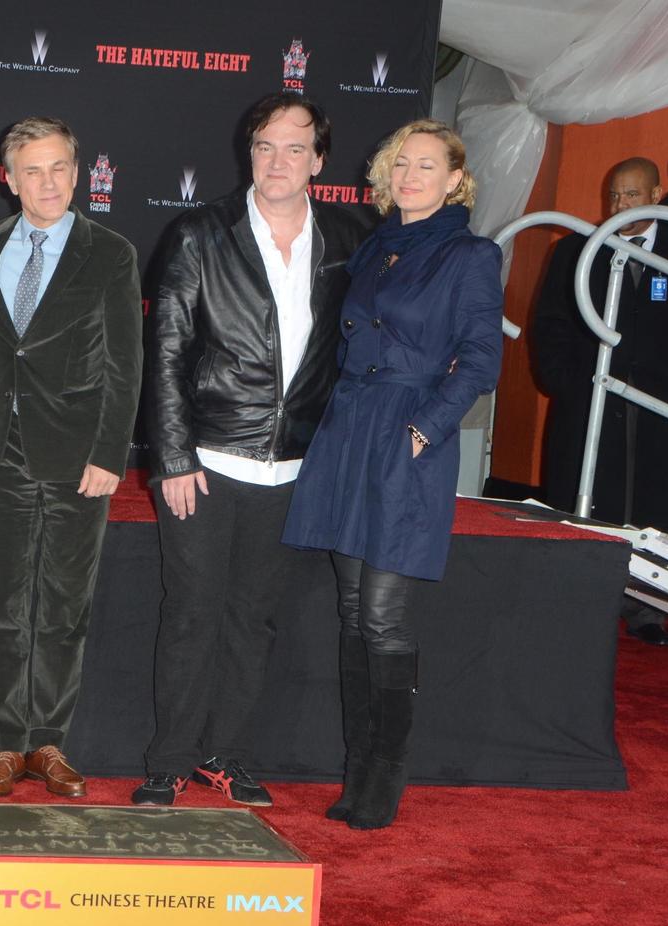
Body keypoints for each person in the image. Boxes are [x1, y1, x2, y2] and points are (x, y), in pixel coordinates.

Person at [132, 93, 365, 808]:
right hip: (206, 460)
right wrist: (171, 455)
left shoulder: (351, 238)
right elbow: (166, 349)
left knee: (253, 618)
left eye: (296, 148)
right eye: (266, 146)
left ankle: (225, 756)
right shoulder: (202, 233)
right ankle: (168, 762)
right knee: (193, 613)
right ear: (248, 153)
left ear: (319, 161)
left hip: (294, 466)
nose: (278, 161)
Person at [282, 119, 504, 830]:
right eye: (401, 163)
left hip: (408, 436)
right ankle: (357, 770)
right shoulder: (374, 247)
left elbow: (480, 360)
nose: (411, 176)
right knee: (351, 611)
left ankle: (386, 777)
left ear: (455, 180)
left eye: (427, 166)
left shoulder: (470, 255)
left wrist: (426, 429)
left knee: (382, 614)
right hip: (350, 431)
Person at [0, 116, 142, 798]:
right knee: (1, 603)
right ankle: (7, 745)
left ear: (79, 173)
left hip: (78, 456)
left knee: (65, 604)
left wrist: (109, 451)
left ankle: (50, 742)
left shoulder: (112, 252)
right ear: (8, 181)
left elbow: (127, 363)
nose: (48, 182)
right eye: (32, 171)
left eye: (59, 168)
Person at [532, 158, 668, 645]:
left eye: (631, 195)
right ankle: (582, 602)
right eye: (613, 196)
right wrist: (570, 383)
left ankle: (645, 609)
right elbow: (549, 327)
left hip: (662, 414)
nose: (619, 205)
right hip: (590, 404)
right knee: (587, 502)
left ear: (657, 192)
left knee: (654, 507)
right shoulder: (575, 249)